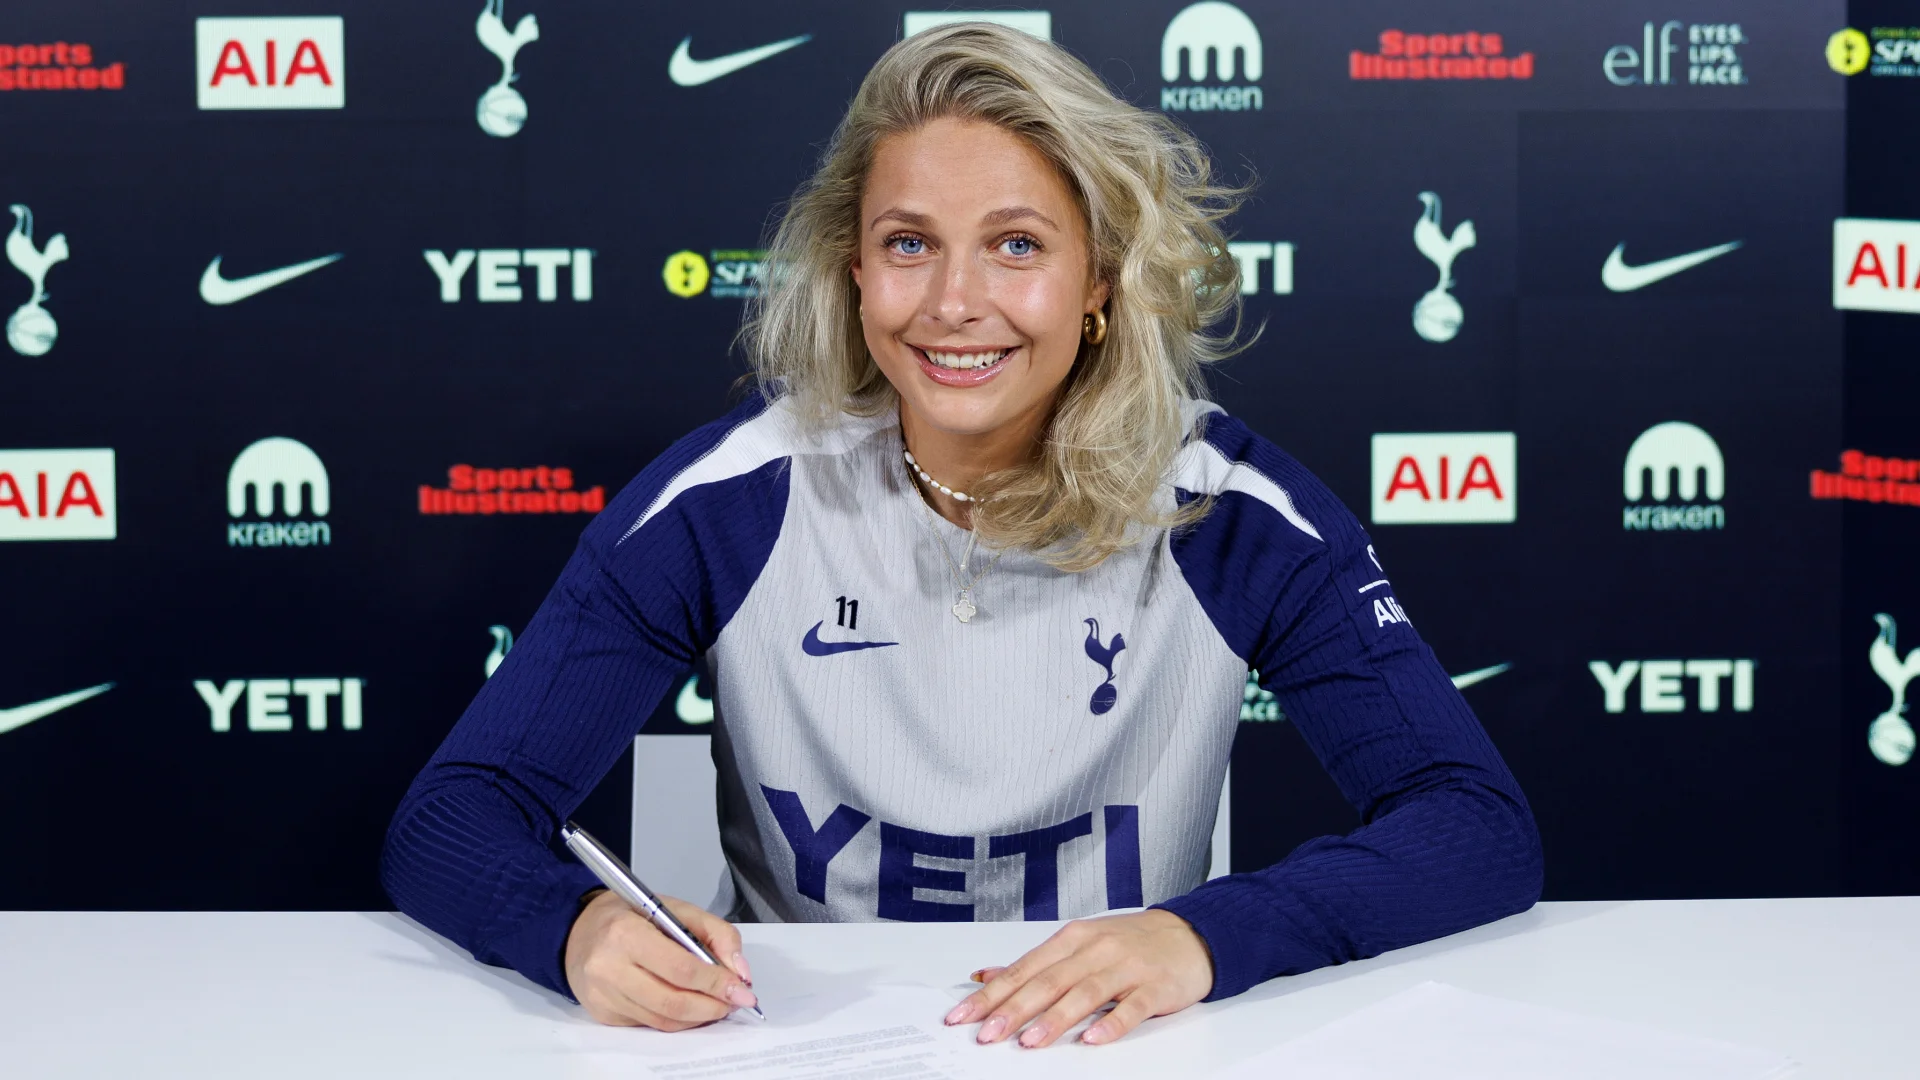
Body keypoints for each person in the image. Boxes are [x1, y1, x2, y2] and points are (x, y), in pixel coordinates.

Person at [381, 23, 1542, 1049]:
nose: (953, 302)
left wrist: (1205, 936)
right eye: (909, 243)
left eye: (1018, 245)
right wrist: (574, 928)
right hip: (801, 1048)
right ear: (854, 270)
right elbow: (455, 812)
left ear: (1100, 280)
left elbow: (1472, 820)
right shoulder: (727, 500)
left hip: (1113, 1049)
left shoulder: (1232, 510)